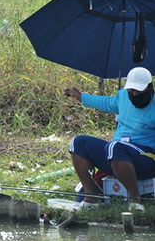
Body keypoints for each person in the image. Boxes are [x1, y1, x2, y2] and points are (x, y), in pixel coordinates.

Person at [63, 66, 155, 212]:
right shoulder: (122, 96)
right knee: (78, 142)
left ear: (149, 87)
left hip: (144, 158)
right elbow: (105, 103)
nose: (134, 93)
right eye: (131, 90)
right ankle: (92, 196)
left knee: (114, 146)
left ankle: (135, 200)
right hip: (117, 154)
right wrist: (80, 96)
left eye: (139, 90)